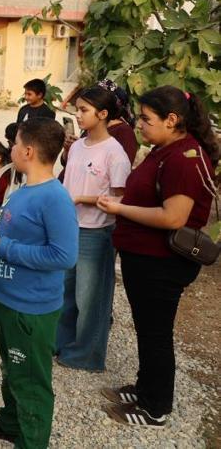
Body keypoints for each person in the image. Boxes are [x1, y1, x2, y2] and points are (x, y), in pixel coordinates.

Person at [97, 86, 219, 428]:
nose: (139, 125)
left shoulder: (184, 158)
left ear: (172, 120)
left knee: (156, 333)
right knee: (148, 329)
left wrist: (120, 208)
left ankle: (155, 407)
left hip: (162, 263)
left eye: (147, 119)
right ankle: (145, 387)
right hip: (146, 258)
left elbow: (173, 218)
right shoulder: (166, 149)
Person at [0, 118, 78, 447]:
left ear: (29, 151)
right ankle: (11, 422)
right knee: (12, 369)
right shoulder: (25, 188)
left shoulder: (55, 198)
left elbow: (64, 256)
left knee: (31, 381)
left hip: (29, 311)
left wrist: (5, 248)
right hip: (7, 300)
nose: (11, 149)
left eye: (15, 144)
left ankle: (31, 441)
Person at [55, 86, 131, 373]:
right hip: (70, 227)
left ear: (102, 114)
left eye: (84, 110)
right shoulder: (77, 145)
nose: (78, 114)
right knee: (66, 290)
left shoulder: (115, 154)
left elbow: (120, 199)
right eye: (77, 108)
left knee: (92, 297)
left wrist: (81, 198)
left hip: (96, 232)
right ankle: (62, 342)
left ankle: (87, 354)